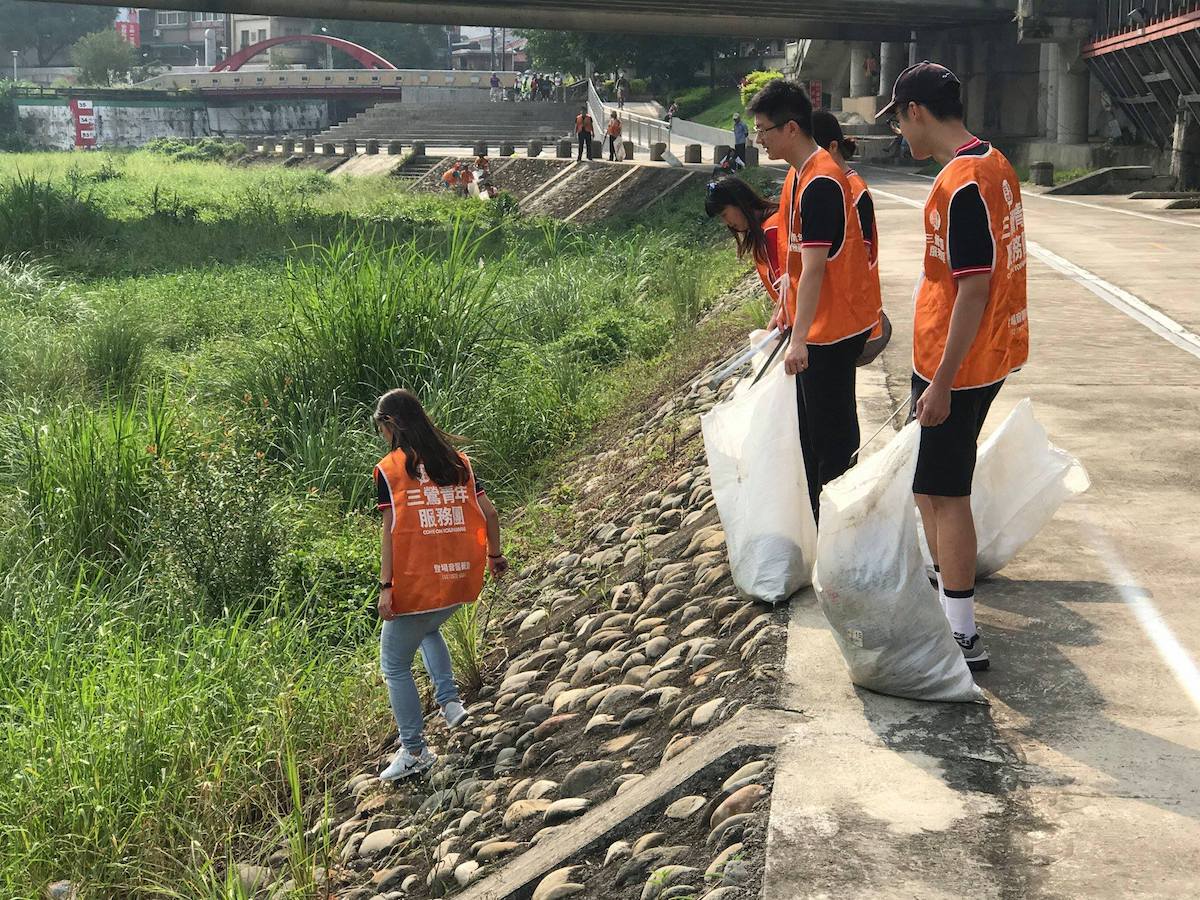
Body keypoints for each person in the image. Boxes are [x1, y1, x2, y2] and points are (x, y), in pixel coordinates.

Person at [877, 62, 1029, 671]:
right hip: (981, 353)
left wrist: (940, 383)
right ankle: (947, 602)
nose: (900, 136)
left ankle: (961, 632)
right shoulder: (992, 162)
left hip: (958, 364)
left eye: (899, 121)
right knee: (929, 486)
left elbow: (972, 288)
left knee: (946, 493)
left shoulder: (962, 183)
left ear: (916, 110)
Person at [746, 78, 879, 520]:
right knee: (811, 434)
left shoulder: (821, 181)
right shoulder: (798, 176)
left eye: (764, 129)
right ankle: (821, 524)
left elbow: (818, 267)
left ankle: (840, 531)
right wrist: (785, 316)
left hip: (833, 328)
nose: (759, 139)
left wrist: (799, 339)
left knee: (832, 439)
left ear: (790, 129)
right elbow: (796, 264)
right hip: (815, 325)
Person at [372, 388, 508, 780]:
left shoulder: (390, 470)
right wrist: (495, 557)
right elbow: (490, 513)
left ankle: (414, 751)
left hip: (417, 584)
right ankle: (450, 704)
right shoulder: (458, 462)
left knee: (394, 665)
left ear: (391, 424)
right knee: (429, 628)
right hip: (458, 580)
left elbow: (391, 531)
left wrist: (386, 587)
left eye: (379, 426)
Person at [810, 109, 887, 360]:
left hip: (847, 315)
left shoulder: (854, 191)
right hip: (831, 313)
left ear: (832, 147)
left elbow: (858, 258)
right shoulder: (825, 184)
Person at [704, 177, 783, 318]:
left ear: (739, 202)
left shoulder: (772, 230)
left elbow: (789, 290)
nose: (726, 223)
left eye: (724, 214)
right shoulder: (764, 230)